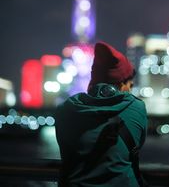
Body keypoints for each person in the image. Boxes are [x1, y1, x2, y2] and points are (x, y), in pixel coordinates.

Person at [55, 41, 148, 187]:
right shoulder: (136, 107)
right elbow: (137, 145)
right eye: (130, 85)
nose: (130, 91)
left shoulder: (65, 109)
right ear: (122, 83)